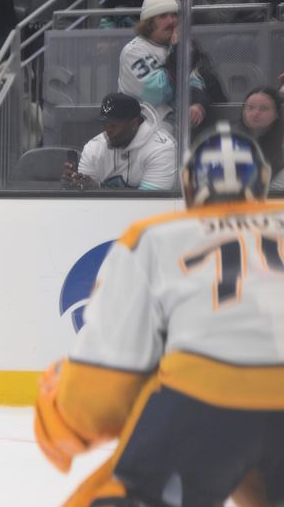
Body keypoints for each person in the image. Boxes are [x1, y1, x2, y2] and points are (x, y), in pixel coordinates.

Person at [35, 121, 284, 506]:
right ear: (263, 184)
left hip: (206, 404)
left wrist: (59, 420)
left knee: (129, 497)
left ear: (188, 186)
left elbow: (106, 375)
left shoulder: (157, 236)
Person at [117, 0, 207, 134]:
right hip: (141, 135)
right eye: (163, 16)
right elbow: (157, 93)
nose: (171, 21)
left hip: (174, 135)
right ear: (149, 22)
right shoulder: (134, 51)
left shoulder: (175, 47)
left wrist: (197, 104)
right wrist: (178, 55)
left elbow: (194, 81)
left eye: (174, 15)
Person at [62, 92, 176, 190]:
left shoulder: (162, 150)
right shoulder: (93, 148)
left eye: (113, 125)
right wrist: (75, 184)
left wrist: (98, 191)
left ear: (134, 123)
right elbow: (85, 202)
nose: (107, 130)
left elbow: (148, 205)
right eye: (105, 124)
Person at [238, 86, 284, 188]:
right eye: (250, 107)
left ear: (277, 113)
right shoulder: (230, 138)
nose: (255, 113)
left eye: (264, 108)